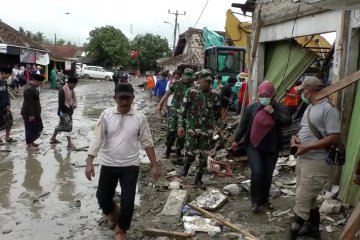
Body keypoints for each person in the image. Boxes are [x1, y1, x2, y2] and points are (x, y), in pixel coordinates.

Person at [85, 82, 160, 240]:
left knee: (128, 202)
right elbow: (97, 138)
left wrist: (154, 165)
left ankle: (121, 230)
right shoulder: (106, 115)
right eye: (121, 98)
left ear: (133, 98)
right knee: (102, 197)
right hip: (108, 164)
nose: (125, 102)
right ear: (115, 98)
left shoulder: (140, 118)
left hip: (130, 166)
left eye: (128, 98)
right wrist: (89, 162)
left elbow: (147, 142)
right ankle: (113, 213)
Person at [289, 76, 340, 239]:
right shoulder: (310, 107)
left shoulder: (329, 109)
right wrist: (296, 138)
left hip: (317, 161)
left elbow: (334, 137)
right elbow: (306, 128)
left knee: (302, 200)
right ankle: (313, 230)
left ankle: (292, 235)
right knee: (309, 199)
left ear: (308, 90)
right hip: (304, 160)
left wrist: (307, 147)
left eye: (302, 90)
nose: (301, 93)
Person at [232, 80, 291, 213]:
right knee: (257, 172)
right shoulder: (252, 107)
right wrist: (236, 140)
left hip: (271, 147)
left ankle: (264, 200)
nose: (264, 99)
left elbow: (287, 121)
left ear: (273, 95)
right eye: (261, 96)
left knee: (267, 174)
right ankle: (255, 201)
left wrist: (273, 112)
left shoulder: (279, 107)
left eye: (267, 96)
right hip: (254, 146)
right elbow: (243, 124)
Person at [177, 69, 222, 190]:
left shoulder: (215, 95)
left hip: (207, 131)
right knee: (190, 152)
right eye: (204, 81)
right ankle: (186, 165)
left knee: (203, 155)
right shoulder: (191, 92)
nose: (207, 84)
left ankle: (198, 178)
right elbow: (183, 111)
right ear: (199, 80)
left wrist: (219, 126)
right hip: (192, 129)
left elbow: (217, 114)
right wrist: (180, 126)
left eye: (209, 81)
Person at [156, 68, 194, 164]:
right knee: (171, 130)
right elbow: (167, 94)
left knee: (181, 133)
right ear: (183, 75)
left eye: (189, 78)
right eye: (186, 77)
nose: (187, 79)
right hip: (175, 110)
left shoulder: (193, 86)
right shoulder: (176, 84)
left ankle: (178, 152)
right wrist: (160, 105)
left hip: (186, 113)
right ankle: (168, 148)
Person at [50, 77, 78, 149]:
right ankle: (69, 143)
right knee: (68, 127)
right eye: (74, 85)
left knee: (62, 125)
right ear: (69, 83)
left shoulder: (71, 90)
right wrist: (65, 113)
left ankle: (53, 137)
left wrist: (71, 109)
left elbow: (72, 99)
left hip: (69, 110)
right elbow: (61, 103)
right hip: (63, 111)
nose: (74, 87)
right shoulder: (62, 90)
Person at [21, 74, 45, 151]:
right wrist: (31, 115)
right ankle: (29, 145)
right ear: (35, 81)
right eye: (40, 83)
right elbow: (29, 103)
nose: (40, 84)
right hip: (30, 114)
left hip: (35, 113)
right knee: (30, 129)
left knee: (38, 128)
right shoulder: (29, 89)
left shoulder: (32, 87)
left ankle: (31, 142)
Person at [0, 66, 17, 144]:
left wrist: (8, 104)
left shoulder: (4, 82)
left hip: (5, 106)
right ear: (4, 73)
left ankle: (7, 137)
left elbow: (6, 94)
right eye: (9, 75)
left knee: (10, 122)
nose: (9, 77)